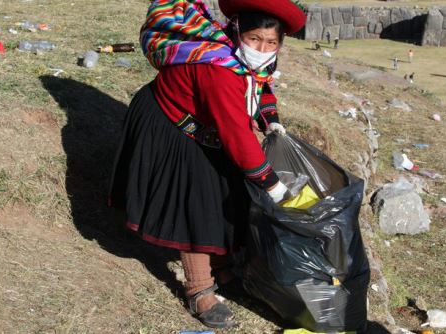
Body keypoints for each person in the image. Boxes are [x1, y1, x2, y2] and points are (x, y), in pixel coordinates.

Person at [108, 0, 306, 329]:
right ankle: (199, 289)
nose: (262, 49)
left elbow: (260, 83)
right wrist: (274, 185)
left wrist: (271, 120)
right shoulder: (219, 68)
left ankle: (223, 262)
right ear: (238, 29)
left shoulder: (249, 58)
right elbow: (237, 137)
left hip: (205, 125)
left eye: (272, 42)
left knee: (232, 187)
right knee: (198, 201)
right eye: (255, 39)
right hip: (169, 122)